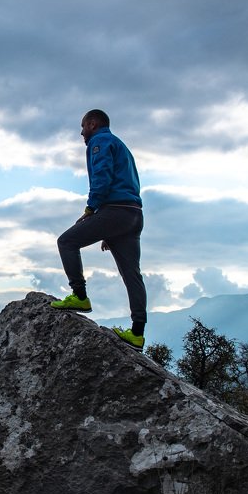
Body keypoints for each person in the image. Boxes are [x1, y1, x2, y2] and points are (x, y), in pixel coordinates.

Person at [50, 109, 147, 349]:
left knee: (67, 242)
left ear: (92, 124)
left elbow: (102, 177)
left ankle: (80, 296)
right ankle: (137, 333)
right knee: (132, 274)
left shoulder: (100, 141)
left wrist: (91, 209)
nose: (81, 132)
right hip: (132, 214)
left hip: (114, 210)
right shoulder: (120, 145)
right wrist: (110, 229)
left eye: (82, 127)